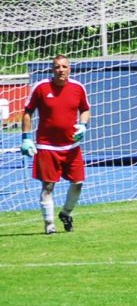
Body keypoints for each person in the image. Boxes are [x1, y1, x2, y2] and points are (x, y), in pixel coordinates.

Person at [21, 54, 91, 234]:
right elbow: (28, 112)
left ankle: (66, 213)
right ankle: (49, 225)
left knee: (78, 183)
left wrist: (83, 125)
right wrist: (26, 138)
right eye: (57, 67)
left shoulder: (78, 88)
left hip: (71, 147)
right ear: (52, 69)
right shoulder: (41, 88)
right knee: (48, 186)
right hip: (47, 146)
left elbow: (85, 109)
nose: (61, 70)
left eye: (64, 66)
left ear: (70, 69)